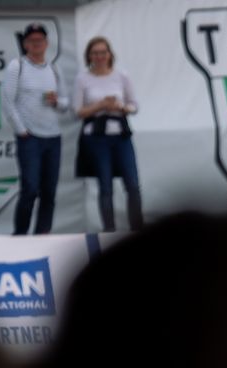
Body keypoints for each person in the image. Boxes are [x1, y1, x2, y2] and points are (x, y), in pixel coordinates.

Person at [1, 23, 68, 234]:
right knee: (30, 190)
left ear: (47, 44)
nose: (36, 44)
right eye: (31, 40)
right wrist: (22, 130)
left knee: (49, 192)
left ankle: (42, 236)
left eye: (40, 40)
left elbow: (66, 104)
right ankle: (20, 236)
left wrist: (57, 101)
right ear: (25, 44)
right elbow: (6, 101)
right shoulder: (16, 66)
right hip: (30, 138)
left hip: (53, 137)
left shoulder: (55, 69)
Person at [73, 36, 141, 233]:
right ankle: (109, 230)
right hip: (96, 136)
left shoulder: (121, 76)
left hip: (119, 134)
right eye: (95, 53)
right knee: (106, 186)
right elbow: (77, 111)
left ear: (109, 54)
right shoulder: (83, 79)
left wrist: (120, 106)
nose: (100, 56)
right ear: (89, 56)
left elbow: (134, 105)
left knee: (133, 184)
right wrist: (101, 105)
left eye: (103, 52)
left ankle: (137, 228)